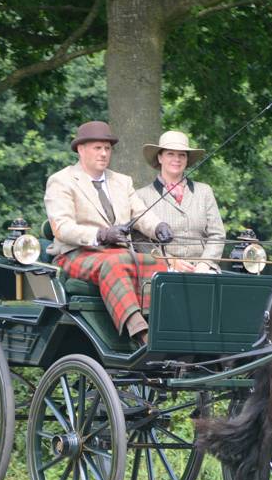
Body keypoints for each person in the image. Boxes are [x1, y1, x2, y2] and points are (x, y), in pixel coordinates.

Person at [45, 120, 174, 345]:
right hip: (76, 253)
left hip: (118, 253)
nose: (104, 153)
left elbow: (141, 214)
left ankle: (167, 327)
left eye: (107, 148)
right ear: (81, 149)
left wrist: (158, 227)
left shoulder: (122, 181)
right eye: (97, 148)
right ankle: (139, 332)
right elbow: (62, 227)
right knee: (116, 263)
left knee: (162, 266)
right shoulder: (61, 181)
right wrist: (102, 235)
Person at [137, 130, 226, 273]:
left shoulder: (204, 191)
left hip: (203, 269)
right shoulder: (142, 196)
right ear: (160, 158)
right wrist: (169, 261)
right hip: (163, 269)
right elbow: (140, 241)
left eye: (182, 155)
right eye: (170, 154)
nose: (176, 159)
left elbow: (217, 234)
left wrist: (205, 263)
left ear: (187, 160)